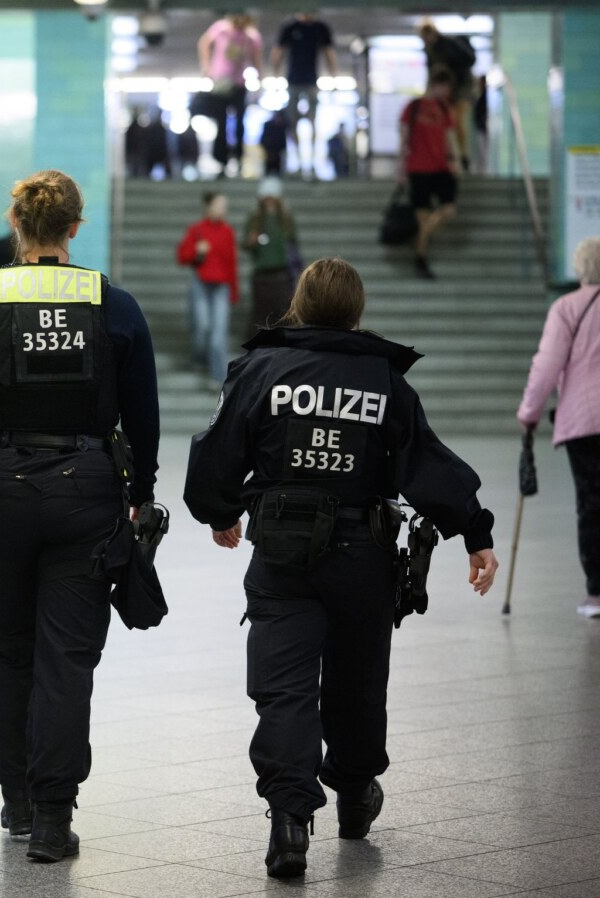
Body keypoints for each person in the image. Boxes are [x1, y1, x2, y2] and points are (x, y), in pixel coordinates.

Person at [183, 257, 499, 879]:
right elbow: (426, 463)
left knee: (283, 688)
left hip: (282, 554)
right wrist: (475, 532)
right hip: (364, 555)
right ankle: (355, 798)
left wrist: (218, 509)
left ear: (299, 306)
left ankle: (289, 821)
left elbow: (216, 451)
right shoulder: (383, 381)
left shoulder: (261, 369)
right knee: (356, 683)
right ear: (356, 312)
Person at [0, 170, 160, 862]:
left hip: (1, 495)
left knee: (9, 650)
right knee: (66, 658)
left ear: (17, 227)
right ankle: (53, 816)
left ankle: (17, 797)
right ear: (75, 229)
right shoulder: (112, 304)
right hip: (89, 492)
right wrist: (143, 490)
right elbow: (143, 413)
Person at [518, 238, 600, 617]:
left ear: (581, 269)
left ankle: (597, 595)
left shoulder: (567, 307)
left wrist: (530, 412)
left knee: (592, 502)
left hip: (587, 421)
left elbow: (547, 364)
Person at [399, 67, 461, 280]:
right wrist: (400, 169)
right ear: (435, 85)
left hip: (441, 168)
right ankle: (421, 258)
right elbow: (404, 140)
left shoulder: (444, 109)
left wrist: (456, 161)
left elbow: (450, 137)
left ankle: (419, 239)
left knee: (448, 209)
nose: (445, 92)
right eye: (444, 87)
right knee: (422, 215)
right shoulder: (413, 107)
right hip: (418, 169)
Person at [176, 191, 239, 384]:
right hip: (201, 284)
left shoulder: (227, 231)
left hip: (221, 287)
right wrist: (196, 250)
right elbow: (182, 256)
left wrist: (234, 291)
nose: (223, 209)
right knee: (202, 327)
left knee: (218, 334)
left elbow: (232, 263)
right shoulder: (196, 230)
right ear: (209, 206)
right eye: (219, 204)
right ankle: (200, 359)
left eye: (224, 205)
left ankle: (218, 376)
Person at [271, 12, 337, 176]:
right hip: (293, 81)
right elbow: (278, 51)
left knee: (313, 120)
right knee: (292, 123)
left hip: (311, 81)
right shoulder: (290, 26)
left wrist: (333, 76)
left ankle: (313, 161)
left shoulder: (320, 27)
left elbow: (329, 52)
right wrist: (275, 75)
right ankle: (299, 161)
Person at [199, 14, 263, 177]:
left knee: (240, 123)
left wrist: (260, 78)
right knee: (221, 122)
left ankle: (239, 160)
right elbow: (204, 42)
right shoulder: (221, 28)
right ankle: (221, 161)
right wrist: (206, 68)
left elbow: (256, 59)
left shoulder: (251, 36)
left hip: (239, 83)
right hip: (221, 82)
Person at [418, 19, 477, 172]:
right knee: (447, 122)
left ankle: (462, 156)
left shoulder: (449, 45)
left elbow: (465, 64)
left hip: (462, 88)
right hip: (446, 91)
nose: (426, 40)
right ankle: (452, 156)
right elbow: (432, 74)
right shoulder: (430, 51)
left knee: (457, 121)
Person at [244, 177, 297, 336]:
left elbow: (293, 245)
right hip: (261, 275)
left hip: (281, 275)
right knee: (261, 316)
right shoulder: (255, 220)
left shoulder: (285, 220)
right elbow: (246, 245)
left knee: (282, 315)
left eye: (272, 199)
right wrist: (250, 242)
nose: (269, 202)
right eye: (266, 199)